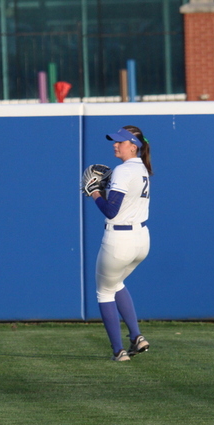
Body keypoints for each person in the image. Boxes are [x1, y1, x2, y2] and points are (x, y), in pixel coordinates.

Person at [85, 125, 152, 362]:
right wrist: (104, 189)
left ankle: (118, 351)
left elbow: (112, 211)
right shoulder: (141, 168)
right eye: (115, 141)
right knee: (117, 284)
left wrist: (94, 191)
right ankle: (137, 337)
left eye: (120, 142)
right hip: (141, 240)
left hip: (119, 239)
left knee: (104, 292)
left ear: (133, 146)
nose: (115, 144)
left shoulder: (123, 170)